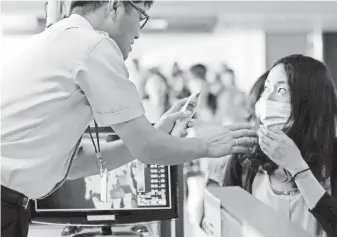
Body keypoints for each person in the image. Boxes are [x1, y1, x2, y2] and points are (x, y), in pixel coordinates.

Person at [1, 1, 258, 237]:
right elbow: (148, 149)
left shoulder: (57, 39)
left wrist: (154, 133)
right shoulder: (93, 45)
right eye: (141, 15)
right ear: (114, 6)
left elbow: (76, 164)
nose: (138, 32)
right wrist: (207, 146)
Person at [192, 54, 337, 237]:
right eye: (267, 88)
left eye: (281, 90)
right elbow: (223, 222)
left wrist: (297, 167)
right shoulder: (248, 153)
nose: (267, 98)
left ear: (308, 100)